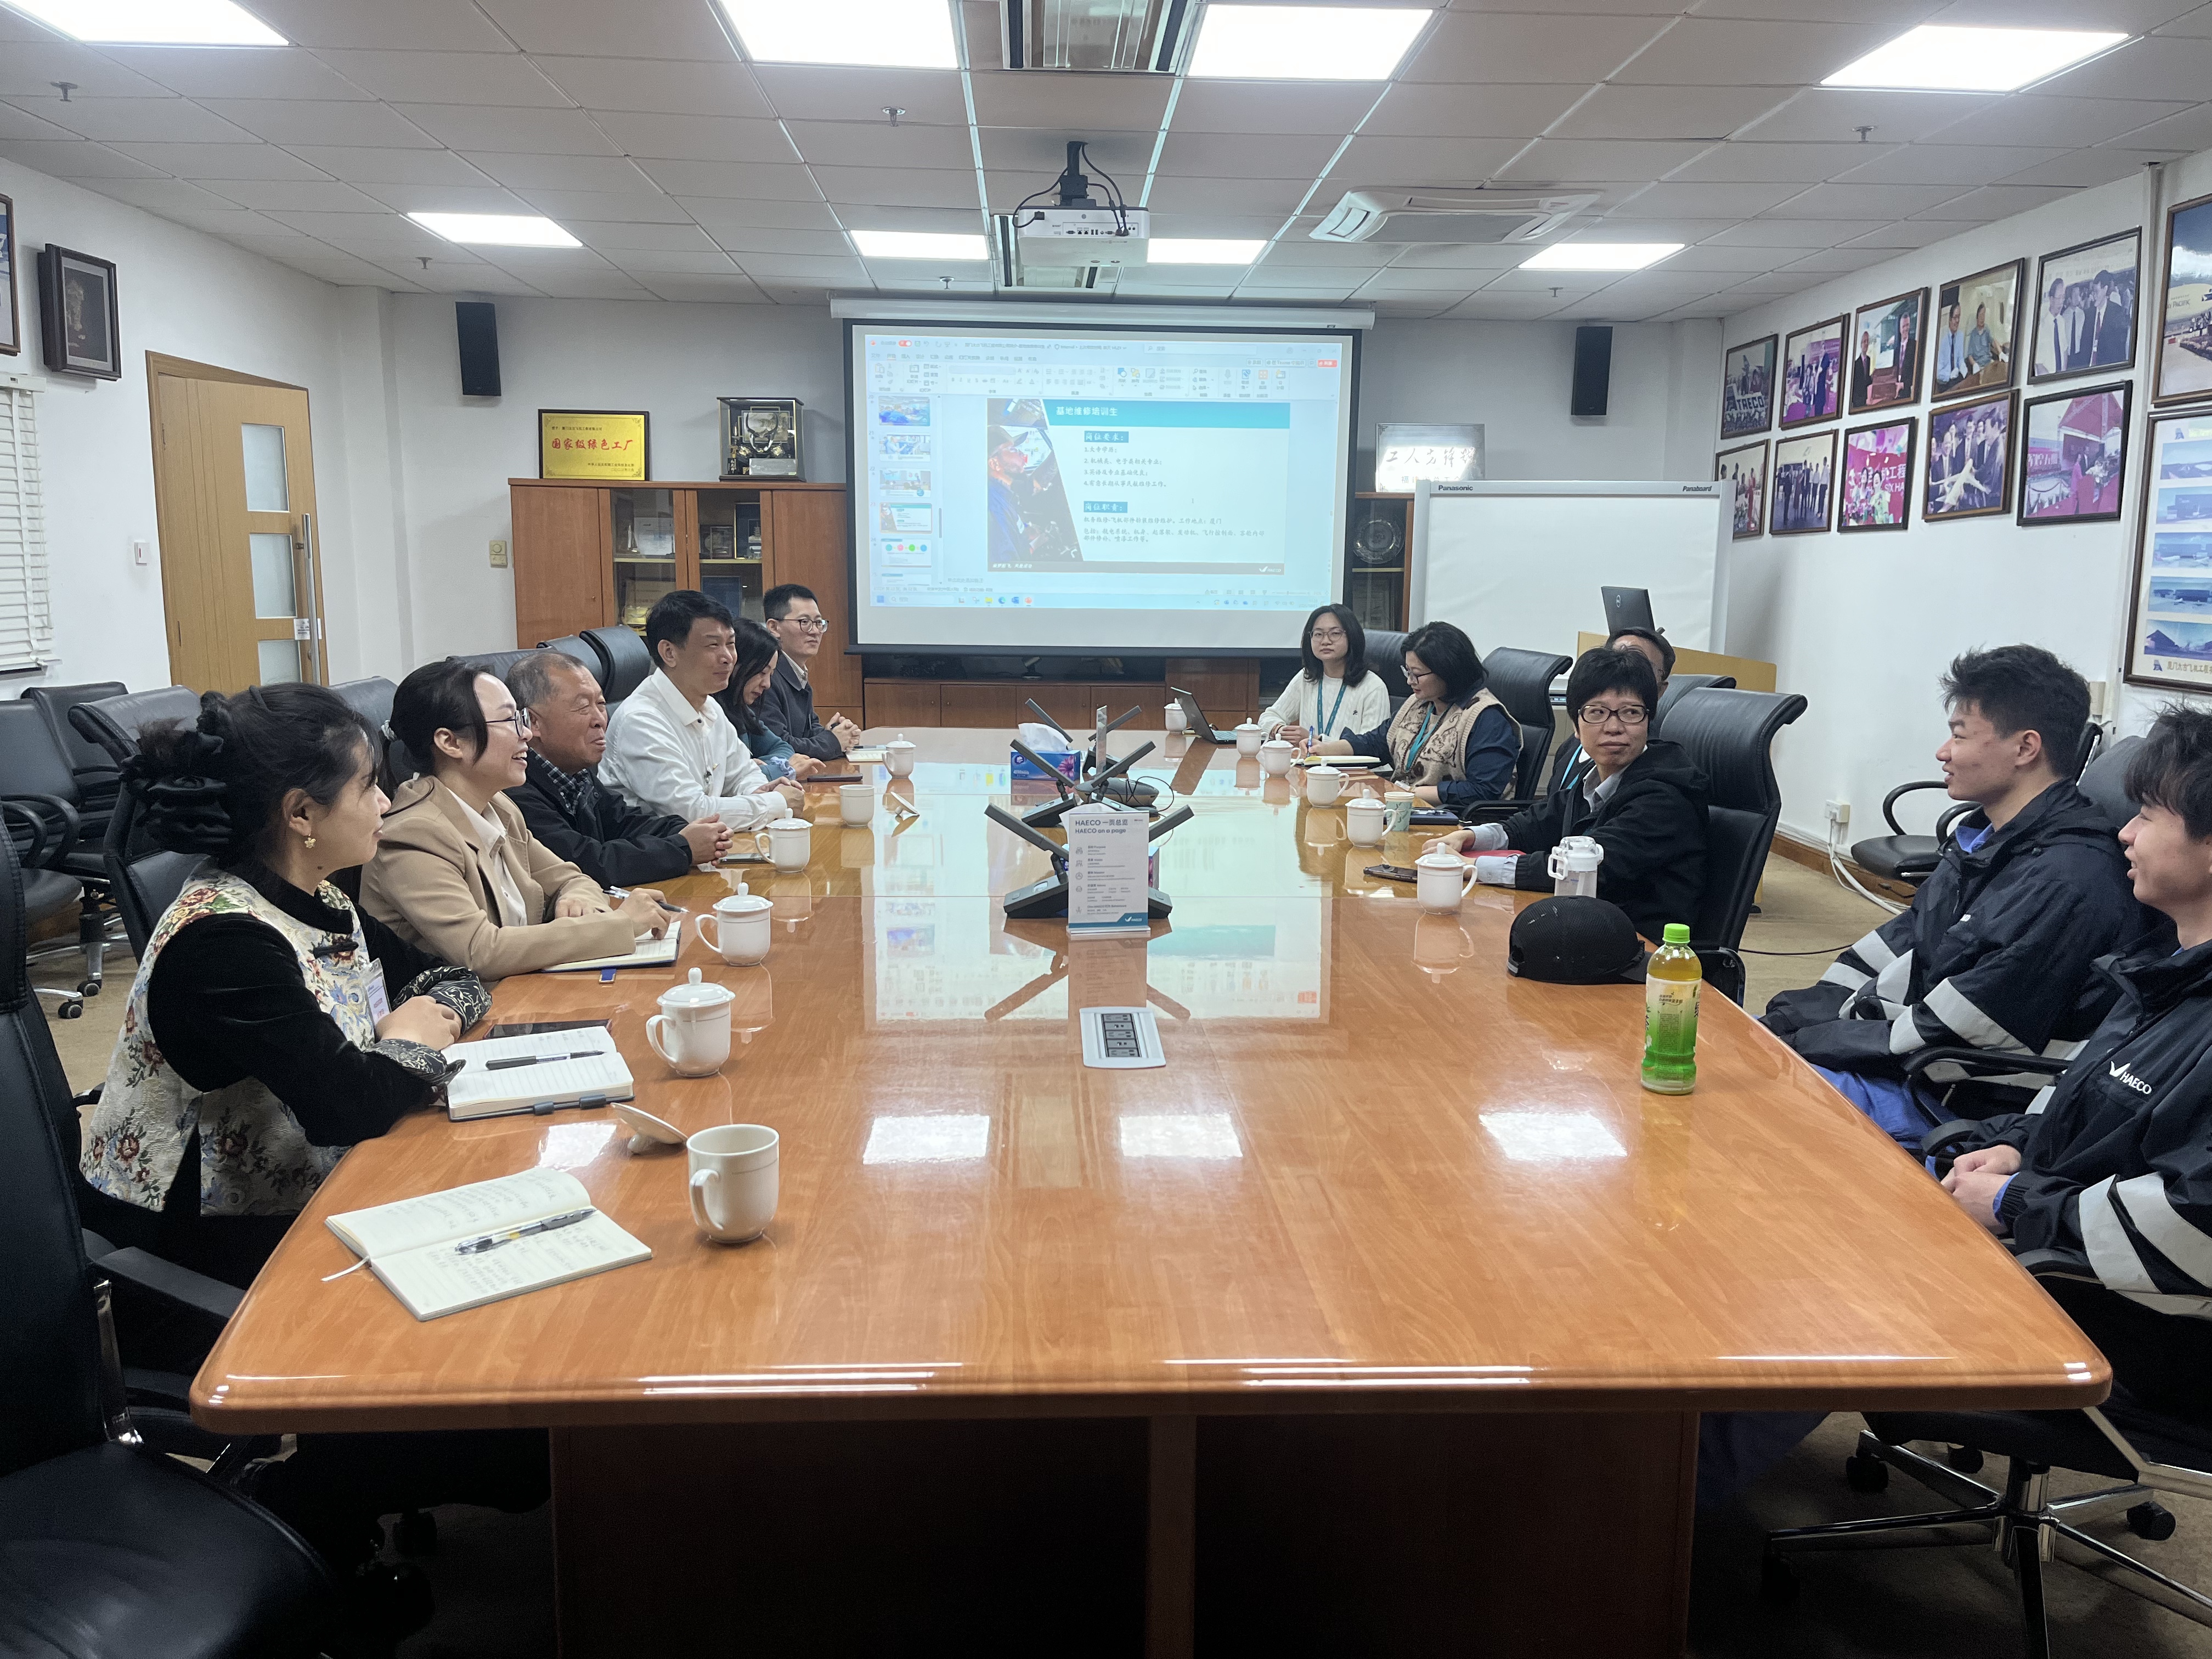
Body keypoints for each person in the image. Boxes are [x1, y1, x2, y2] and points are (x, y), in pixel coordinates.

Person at [1702, 706, 2212, 1510]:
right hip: (2057, 1248)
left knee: (1826, 1277)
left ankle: (1654, 1507)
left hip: (2135, 1336)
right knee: (1803, 1218)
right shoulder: (2168, 970)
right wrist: (2011, 1146)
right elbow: (2070, 1100)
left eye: (2148, 815)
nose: (2126, 832)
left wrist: (2014, 1202)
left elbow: (2194, 1229)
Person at [77, 684, 488, 1284]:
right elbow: (348, 1108)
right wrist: (410, 1039)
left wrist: (427, 1020)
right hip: (209, 1244)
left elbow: (457, 978)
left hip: (316, 1191)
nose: (385, 802)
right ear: (301, 814)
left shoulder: (320, 898)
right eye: (367, 787)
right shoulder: (223, 942)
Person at [1763, 646, 2152, 1150]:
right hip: (1908, 1066)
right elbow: (1898, 949)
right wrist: (1785, 1019)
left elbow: (1954, 1035)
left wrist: (1803, 1042)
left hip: (1953, 1101)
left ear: (2025, 748)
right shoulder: (1983, 841)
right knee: (1740, 1055)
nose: (1943, 752)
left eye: (1960, 735)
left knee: (1756, 1093)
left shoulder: (2069, 881)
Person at [365, 661, 669, 979]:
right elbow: (481, 952)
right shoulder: (413, 834)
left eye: (521, 718)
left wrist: (577, 898)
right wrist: (620, 925)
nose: (526, 733)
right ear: (451, 742)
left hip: (527, 992)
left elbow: (572, 878)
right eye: (510, 720)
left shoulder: (498, 806)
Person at [1425, 648, 1709, 941]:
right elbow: (1538, 822)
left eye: (1631, 713)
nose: (1614, 728)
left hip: (1640, 946)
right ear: (1576, 726)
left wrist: (1471, 866)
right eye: (1597, 713)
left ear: (1649, 721)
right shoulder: (1593, 778)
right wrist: (1470, 837)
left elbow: (1585, 868)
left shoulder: (1665, 795)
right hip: (1584, 926)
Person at [505, 648, 732, 888]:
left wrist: (686, 831)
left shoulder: (576, 772)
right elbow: (586, 862)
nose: (600, 720)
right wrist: (683, 847)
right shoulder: (515, 786)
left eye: (601, 704)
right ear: (533, 722)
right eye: (583, 707)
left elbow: (624, 822)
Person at [602, 589, 806, 831]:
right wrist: (777, 802)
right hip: (657, 849)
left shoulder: (709, 706)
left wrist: (759, 791)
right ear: (669, 653)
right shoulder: (641, 721)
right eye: (713, 645)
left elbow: (743, 773)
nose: (728, 657)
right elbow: (691, 813)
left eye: (730, 644)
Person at [1306, 620, 1517, 809]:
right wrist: (1326, 749)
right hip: (1405, 807)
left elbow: (1483, 791)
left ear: (1448, 671)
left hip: (1453, 820)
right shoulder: (1420, 703)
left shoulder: (1486, 718)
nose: (1409, 681)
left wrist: (1413, 793)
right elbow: (1379, 742)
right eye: (1407, 672)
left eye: (1417, 674)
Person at [1258, 603, 1391, 746]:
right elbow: (1268, 717)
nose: (1326, 641)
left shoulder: (1373, 687)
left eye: (1335, 634)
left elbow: (1371, 747)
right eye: (1318, 634)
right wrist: (1280, 730)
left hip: (1352, 762)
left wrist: (1317, 741)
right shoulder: (1307, 678)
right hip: (1310, 760)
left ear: (1352, 637)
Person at [716, 616, 827, 784]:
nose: (767, 684)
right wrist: (777, 769)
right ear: (735, 665)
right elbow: (727, 780)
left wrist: (758, 767)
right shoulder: (712, 713)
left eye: (771, 674)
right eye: (762, 672)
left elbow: (783, 748)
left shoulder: (742, 711)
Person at [758, 583, 860, 760]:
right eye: (804, 622)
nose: (815, 631)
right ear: (774, 627)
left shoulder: (798, 672)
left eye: (819, 623)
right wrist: (833, 742)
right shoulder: (766, 679)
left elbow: (808, 730)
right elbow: (779, 746)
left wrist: (836, 733)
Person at [1934, 302, 1965, 388]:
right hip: (1944, 381)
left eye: (1959, 317)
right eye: (1955, 317)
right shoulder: (1941, 337)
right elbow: (1937, 372)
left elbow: (1960, 359)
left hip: (1955, 378)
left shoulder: (1960, 335)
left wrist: (1964, 371)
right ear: (1950, 319)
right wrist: (1950, 375)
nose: (1957, 321)